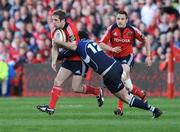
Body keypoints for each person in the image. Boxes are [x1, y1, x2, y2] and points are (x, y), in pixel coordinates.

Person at [51, 31, 162, 118]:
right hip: (116, 65)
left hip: (109, 73)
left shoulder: (78, 46)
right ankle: (145, 102)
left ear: (78, 38)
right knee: (125, 93)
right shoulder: (91, 42)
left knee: (126, 97)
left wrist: (56, 43)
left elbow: (61, 55)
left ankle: (153, 109)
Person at [37, 9, 104, 115]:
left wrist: (60, 42)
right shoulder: (55, 30)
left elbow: (74, 46)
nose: (53, 22)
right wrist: (53, 60)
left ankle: (97, 91)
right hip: (69, 60)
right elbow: (54, 47)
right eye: (52, 20)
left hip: (79, 60)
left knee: (76, 88)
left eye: (55, 20)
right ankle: (51, 108)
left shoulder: (70, 29)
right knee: (57, 81)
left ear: (63, 20)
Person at [99, 10, 152, 116]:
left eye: (122, 19)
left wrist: (149, 56)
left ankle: (120, 108)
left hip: (127, 58)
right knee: (128, 86)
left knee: (121, 77)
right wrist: (112, 49)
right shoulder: (111, 29)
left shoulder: (132, 30)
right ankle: (141, 94)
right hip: (115, 58)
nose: (120, 21)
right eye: (118, 18)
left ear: (126, 20)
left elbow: (146, 40)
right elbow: (100, 44)